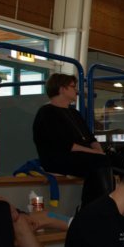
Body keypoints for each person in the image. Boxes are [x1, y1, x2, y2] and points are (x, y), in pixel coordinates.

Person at [32, 73, 114, 206]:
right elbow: (65, 145)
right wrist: (96, 153)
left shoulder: (74, 113)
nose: (76, 90)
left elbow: (91, 138)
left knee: (117, 160)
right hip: (58, 158)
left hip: (81, 155)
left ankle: (103, 204)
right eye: (72, 87)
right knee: (100, 161)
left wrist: (98, 150)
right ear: (62, 89)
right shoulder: (46, 113)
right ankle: (99, 206)